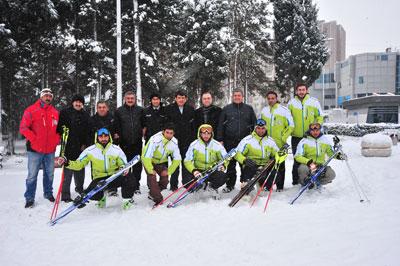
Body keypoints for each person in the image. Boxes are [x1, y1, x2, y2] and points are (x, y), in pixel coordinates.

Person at [61, 128, 134, 209]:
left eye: (105, 136)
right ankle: (100, 198)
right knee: (92, 194)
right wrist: (67, 163)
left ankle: (127, 201)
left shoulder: (116, 149)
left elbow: (123, 163)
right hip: (99, 180)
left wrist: (123, 168)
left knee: (129, 178)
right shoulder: (90, 150)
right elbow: (79, 164)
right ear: (97, 137)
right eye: (101, 136)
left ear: (109, 137)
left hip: (113, 177)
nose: (103, 138)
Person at [19, 88, 60, 208]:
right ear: (41, 97)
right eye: (45, 95)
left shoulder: (55, 112)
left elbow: (58, 130)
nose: (48, 97)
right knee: (32, 175)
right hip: (35, 150)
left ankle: (48, 194)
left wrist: (56, 140)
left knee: (50, 174)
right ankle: (29, 198)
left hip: (50, 150)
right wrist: (34, 139)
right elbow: (24, 128)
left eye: (50, 96)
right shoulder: (31, 110)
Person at [216, 89, 256, 193]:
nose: (237, 97)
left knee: (244, 164)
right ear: (232, 97)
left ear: (242, 97)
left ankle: (245, 183)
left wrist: (254, 139)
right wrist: (220, 139)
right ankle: (230, 185)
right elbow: (220, 125)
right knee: (230, 165)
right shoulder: (226, 109)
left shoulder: (249, 109)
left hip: (244, 143)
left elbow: (255, 125)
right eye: (235, 95)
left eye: (239, 95)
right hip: (230, 142)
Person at [57, 94, 91, 202]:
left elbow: (88, 131)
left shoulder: (85, 115)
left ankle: (80, 188)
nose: (78, 104)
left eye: (80, 102)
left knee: (80, 168)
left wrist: (86, 143)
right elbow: (59, 128)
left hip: (81, 146)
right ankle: (65, 194)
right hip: (68, 146)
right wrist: (63, 132)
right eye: (76, 102)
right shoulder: (65, 113)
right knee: (68, 170)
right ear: (72, 102)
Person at [288, 83, 323, 185]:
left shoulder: (314, 102)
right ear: (296, 91)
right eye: (299, 90)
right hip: (296, 136)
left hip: (310, 137)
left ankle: (311, 179)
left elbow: (320, 116)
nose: (301, 92)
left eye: (303, 90)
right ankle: (296, 181)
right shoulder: (291, 103)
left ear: (307, 90)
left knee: (310, 159)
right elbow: (288, 119)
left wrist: (317, 127)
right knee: (297, 159)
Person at [260, 91, 294, 191]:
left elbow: (291, 126)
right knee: (269, 165)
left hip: (280, 143)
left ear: (276, 98)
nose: (271, 100)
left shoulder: (284, 110)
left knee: (280, 165)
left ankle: (280, 186)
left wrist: (283, 137)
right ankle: (269, 185)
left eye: (272, 98)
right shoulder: (264, 111)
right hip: (267, 144)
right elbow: (260, 126)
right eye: (269, 98)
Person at [294, 122, 346, 187]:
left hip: (320, 166)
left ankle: (317, 183)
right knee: (302, 169)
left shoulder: (324, 140)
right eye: (313, 131)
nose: (315, 132)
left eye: (317, 130)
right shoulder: (304, 141)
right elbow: (297, 156)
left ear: (320, 130)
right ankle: (305, 182)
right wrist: (308, 162)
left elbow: (331, 153)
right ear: (310, 130)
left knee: (331, 174)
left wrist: (338, 156)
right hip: (309, 165)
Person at [184, 124, 227, 199]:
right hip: (199, 171)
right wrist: (194, 171)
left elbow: (225, 158)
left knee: (222, 176)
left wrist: (223, 165)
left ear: (211, 134)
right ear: (200, 133)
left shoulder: (217, 145)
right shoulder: (194, 145)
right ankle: (199, 187)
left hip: (212, 170)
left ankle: (212, 187)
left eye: (208, 133)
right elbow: (187, 161)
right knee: (186, 181)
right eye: (204, 133)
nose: (206, 135)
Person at [142, 123, 181, 205]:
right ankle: (158, 199)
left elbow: (177, 159)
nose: (169, 135)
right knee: (152, 178)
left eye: (171, 133)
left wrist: (169, 171)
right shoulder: (155, 139)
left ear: (173, 133)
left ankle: (152, 193)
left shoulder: (174, 142)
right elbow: (146, 156)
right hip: (149, 161)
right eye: (167, 132)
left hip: (161, 163)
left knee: (165, 180)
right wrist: (150, 169)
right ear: (163, 132)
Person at [113, 91, 145, 194]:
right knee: (124, 165)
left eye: (132, 98)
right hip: (124, 143)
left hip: (137, 142)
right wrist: (117, 138)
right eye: (128, 98)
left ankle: (136, 186)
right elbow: (116, 127)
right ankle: (125, 184)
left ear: (135, 99)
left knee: (137, 165)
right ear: (125, 99)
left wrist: (143, 132)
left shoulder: (140, 110)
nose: (130, 100)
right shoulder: (119, 111)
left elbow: (144, 124)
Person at [235, 119, 279, 192]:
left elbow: (278, 154)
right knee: (248, 168)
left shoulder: (270, 141)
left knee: (276, 171)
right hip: (252, 166)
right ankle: (246, 185)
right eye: (258, 128)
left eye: (263, 128)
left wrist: (279, 156)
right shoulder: (247, 140)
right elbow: (237, 154)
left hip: (265, 166)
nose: (260, 131)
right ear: (255, 128)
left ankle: (264, 185)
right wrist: (244, 160)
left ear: (266, 128)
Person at [165, 90, 195, 191]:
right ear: (175, 98)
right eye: (179, 98)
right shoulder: (169, 109)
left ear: (186, 99)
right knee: (175, 163)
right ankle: (173, 185)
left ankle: (187, 184)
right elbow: (166, 124)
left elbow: (193, 126)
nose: (181, 100)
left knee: (186, 163)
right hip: (174, 141)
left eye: (183, 98)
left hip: (187, 140)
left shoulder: (190, 109)